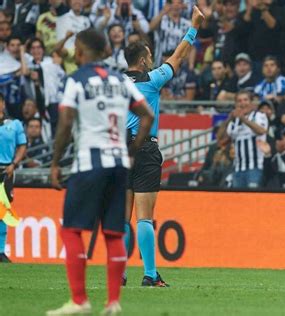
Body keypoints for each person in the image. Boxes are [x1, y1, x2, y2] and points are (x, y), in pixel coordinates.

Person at [47, 28, 154, 315]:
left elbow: (66, 123)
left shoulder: (76, 80)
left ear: (80, 52)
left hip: (89, 162)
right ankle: (113, 303)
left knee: (71, 230)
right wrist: (131, 152)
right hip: (119, 163)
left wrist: (56, 162)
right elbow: (148, 116)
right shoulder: (121, 80)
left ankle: (79, 301)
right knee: (113, 233)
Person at [122, 5, 205, 287]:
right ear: (144, 61)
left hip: (120, 149)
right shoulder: (152, 80)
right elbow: (178, 55)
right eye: (149, 56)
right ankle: (149, 274)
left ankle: (117, 274)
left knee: (122, 216)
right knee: (144, 217)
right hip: (144, 149)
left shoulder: (113, 83)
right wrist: (194, 27)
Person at [218, 90, 268, 188]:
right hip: (237, 169)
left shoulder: (259, 116)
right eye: (239, 101)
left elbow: (261, 131)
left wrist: (244, 119)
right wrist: (228, 119)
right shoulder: (234, 122)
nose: (242, 103)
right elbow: (220, 138)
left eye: (245, 100)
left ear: (251, 102)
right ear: (236, 104)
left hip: (255, 168)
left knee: (252, 198)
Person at [0, 92, 26, 263]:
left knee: (2, 212)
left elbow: (22, 146)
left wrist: (14, 164)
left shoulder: (15, 124)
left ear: (3, 103)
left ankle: (1, 250)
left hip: (6, 171)